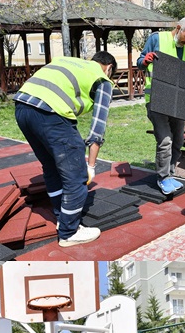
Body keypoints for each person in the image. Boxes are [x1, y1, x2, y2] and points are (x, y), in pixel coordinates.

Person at [14, 51, 117, 247]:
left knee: (52, 166)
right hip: (50, 113)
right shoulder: (102, 80)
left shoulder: (68, 61)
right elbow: (97, 128)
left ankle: (61, 217)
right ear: (108, 67)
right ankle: (69, 232)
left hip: (22, 107)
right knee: (76, 176)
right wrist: (91, 167)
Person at [137, 17, 185, 195]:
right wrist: (146, 60)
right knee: (165, 140)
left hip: (177, 99)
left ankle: (170, 174)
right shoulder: (157, 39)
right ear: (178, 28)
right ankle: (163, 177)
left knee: (178, 140)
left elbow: (183, 69)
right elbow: (139, 62)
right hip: (157, 98)